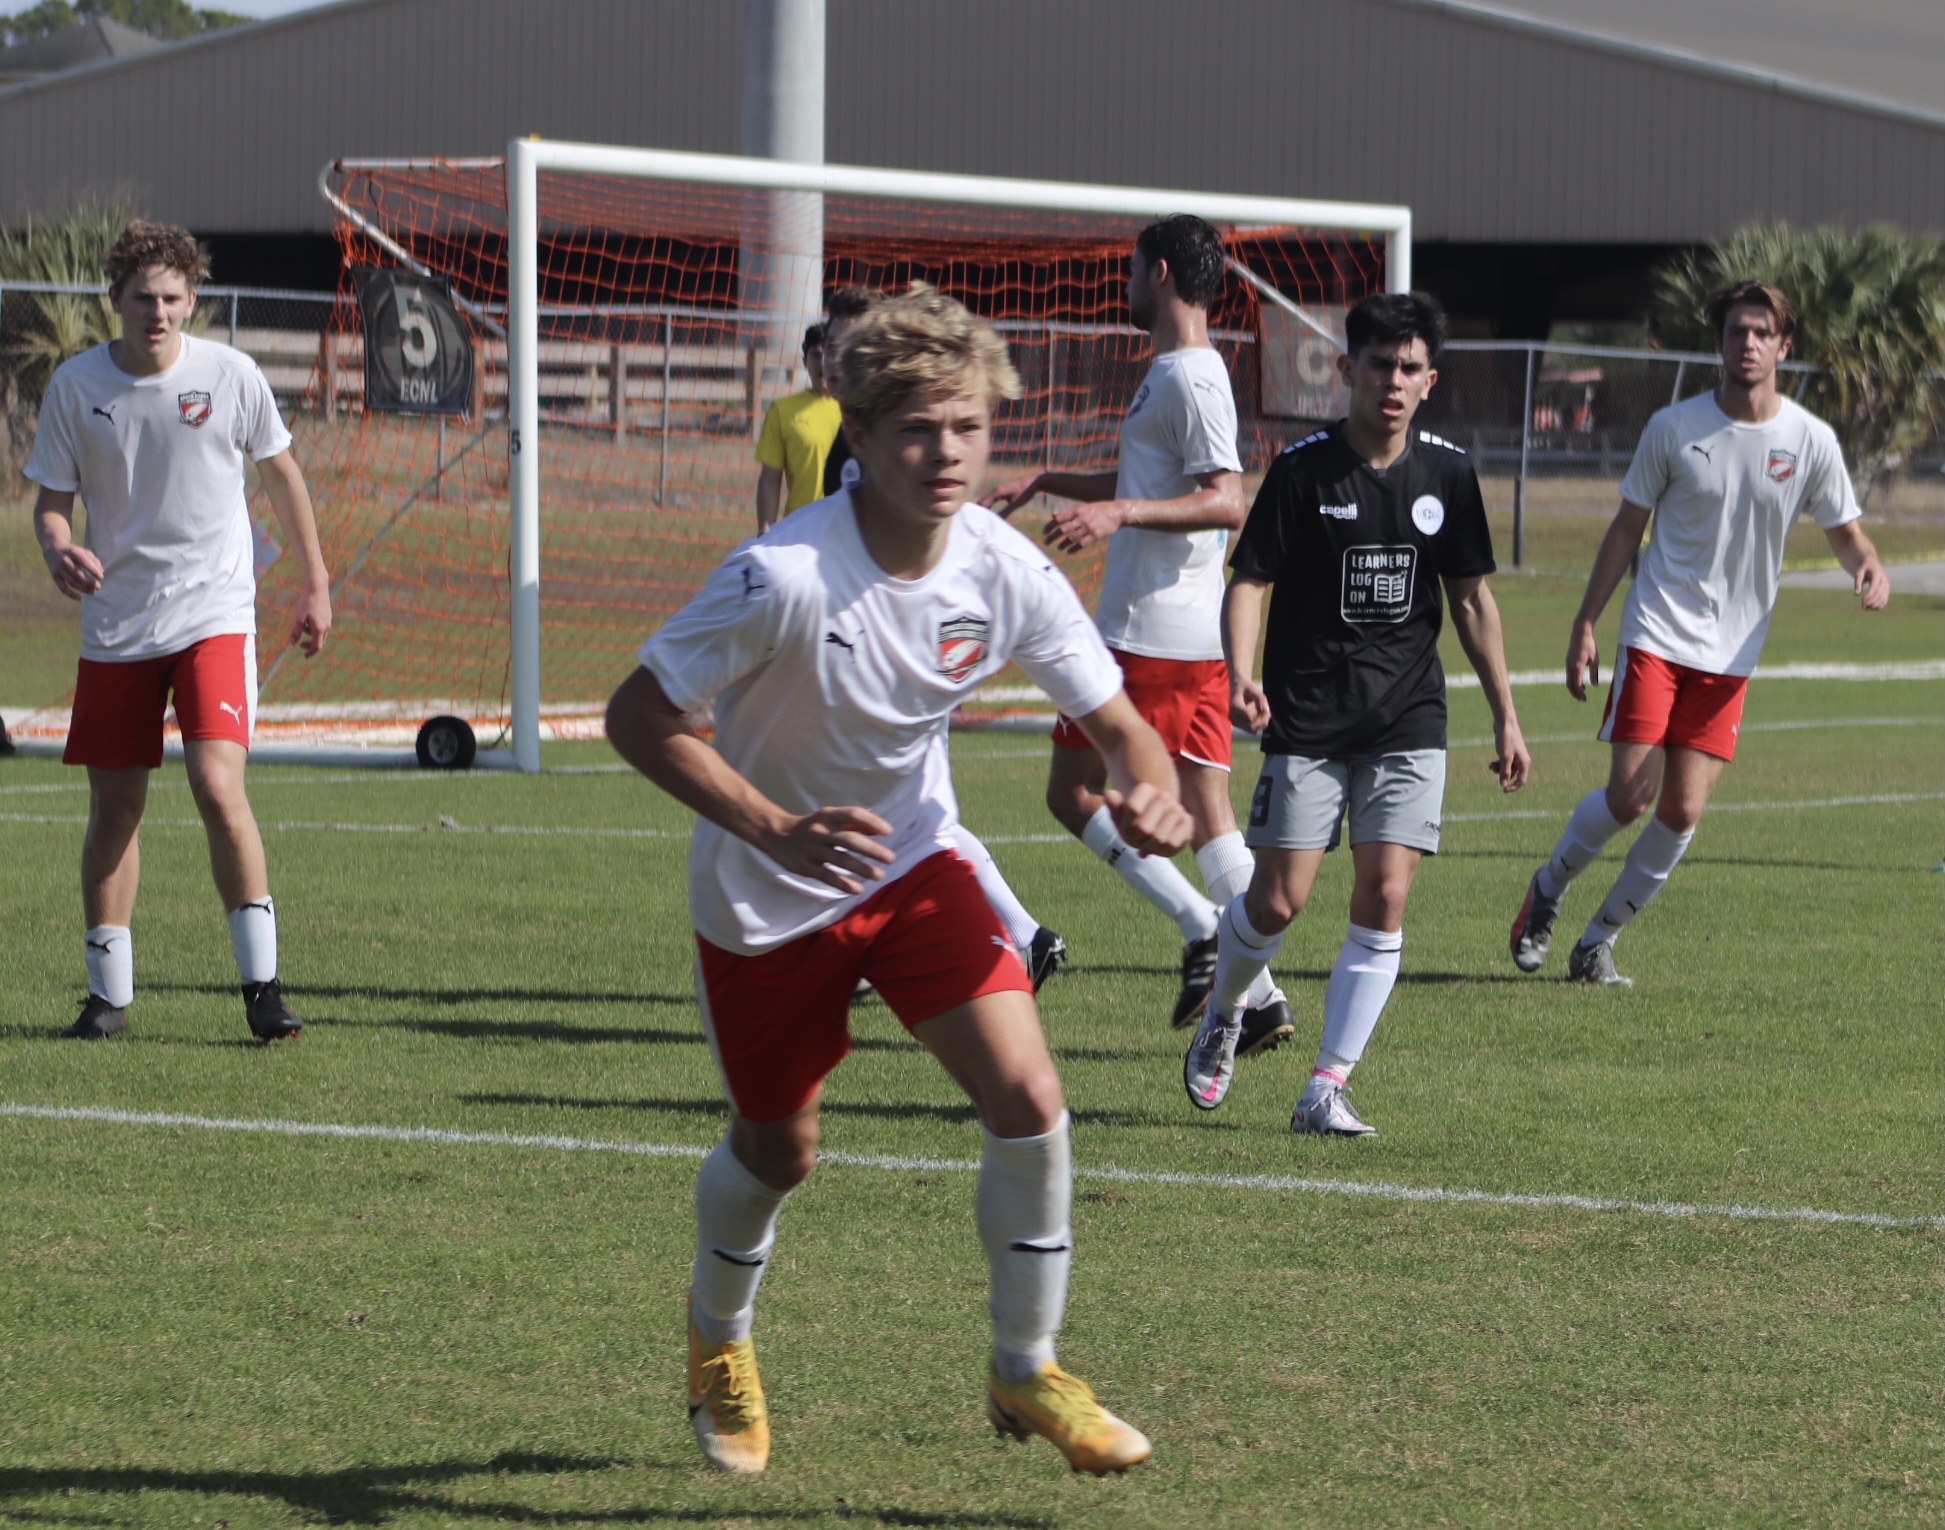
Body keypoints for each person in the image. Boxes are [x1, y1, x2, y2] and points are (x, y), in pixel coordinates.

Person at [605, 286, 1184, 1477]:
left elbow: (1122, 723)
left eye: (967, 427)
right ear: (856, 436)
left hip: (913, 864)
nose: (947, 454)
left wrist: (1152, 784)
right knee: (780, 1152)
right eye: (917, 429)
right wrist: (770, 827)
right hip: (767, 897)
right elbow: (639, 716)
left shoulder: (1000, 566)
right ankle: (718, 1342)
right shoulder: (781, 575)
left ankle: (1026, 1368)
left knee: (1027, 1096)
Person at [1186, 291, 1531, 1131]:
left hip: (1409, 717)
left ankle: (1326, 1086)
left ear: (1429, 381)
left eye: (1409, 368)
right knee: (1276, 901)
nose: (1393, 380)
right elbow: (1249, 582)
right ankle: (1226, 1008)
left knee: (1383, 895)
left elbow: (1472, 602)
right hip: (1307, 716)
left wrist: (1505, 715)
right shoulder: (1303, 472)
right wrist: (1239, 674)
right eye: (1378, 364)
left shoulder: (1447, 474)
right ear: (1345, 370)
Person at [1510, 279, 1889, 985]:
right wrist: (1585, 623)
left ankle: (1596, 942)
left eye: (1759, 332)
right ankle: (1548, 887)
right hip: (1657, 629)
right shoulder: (1673, 428)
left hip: (1734, 650)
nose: (1746, 343)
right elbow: (1626, 528)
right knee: (1629, 796)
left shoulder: (1808, 440)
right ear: (1718, 342)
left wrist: (1866, 566)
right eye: (1735, 331)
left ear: (1782, 345)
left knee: (1680, 810)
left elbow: (1845, 533)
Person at [989, 214, 1293, 1049]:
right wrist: (1048, 480)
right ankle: (1259, 995)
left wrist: (1119, 511)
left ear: (1157, 272)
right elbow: (1146, 478)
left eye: (1128, 270)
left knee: (1074, 792)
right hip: (1183, 638)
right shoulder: (1175, 373)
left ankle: (1204, 931)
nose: (1121, 285)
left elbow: (1228, 499)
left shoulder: (1191, 377)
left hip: (1143, 636)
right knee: (1209, 813)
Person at [25, 219, 332, 1041]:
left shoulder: (230, 376)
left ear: (193, 299)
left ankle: (263, 992)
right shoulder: (75, 386)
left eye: (171, 298)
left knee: (216, 785)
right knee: (116, 808)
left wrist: (314, 583)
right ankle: (108, 999)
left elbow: (281, 474)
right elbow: (51, 502)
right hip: (118, 624)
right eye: (141, 299)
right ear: (113, 300)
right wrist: (59, 548)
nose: (156, 313)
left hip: (214, 614)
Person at [753, 322, 842, 534]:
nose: (822, 362)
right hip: (801, 531)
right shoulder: (783, 411)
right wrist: (765, 528)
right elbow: (770, 478)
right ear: (804, 361)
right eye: (815, 355)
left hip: (849, 531)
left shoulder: (860, 409)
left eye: (829, 352)